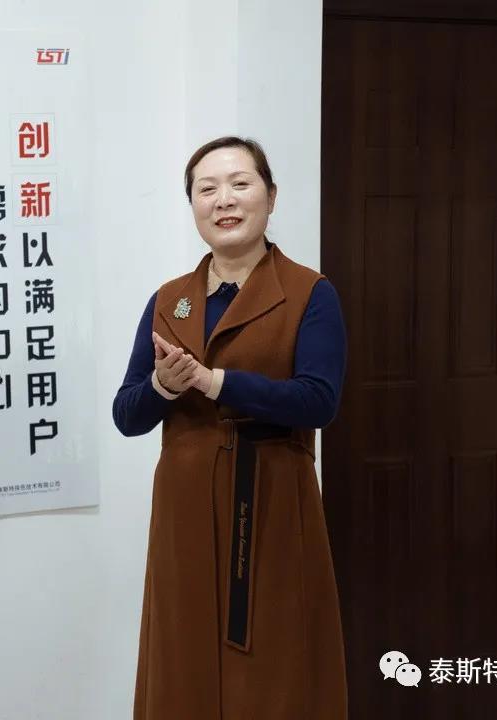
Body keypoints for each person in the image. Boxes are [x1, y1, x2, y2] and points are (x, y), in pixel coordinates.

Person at [113, 136, 348, 719]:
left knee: (276, 656)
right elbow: (127, 414)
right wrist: (165, 386)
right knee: (183, 651)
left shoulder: (309, 292)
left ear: (271, 197)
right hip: (185, 503)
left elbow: (319, 401)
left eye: (241, 184)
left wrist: (217, 383)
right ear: (192, 204)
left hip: (273, 497)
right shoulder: (170, 299)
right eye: (207, 189)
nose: (224, 200)